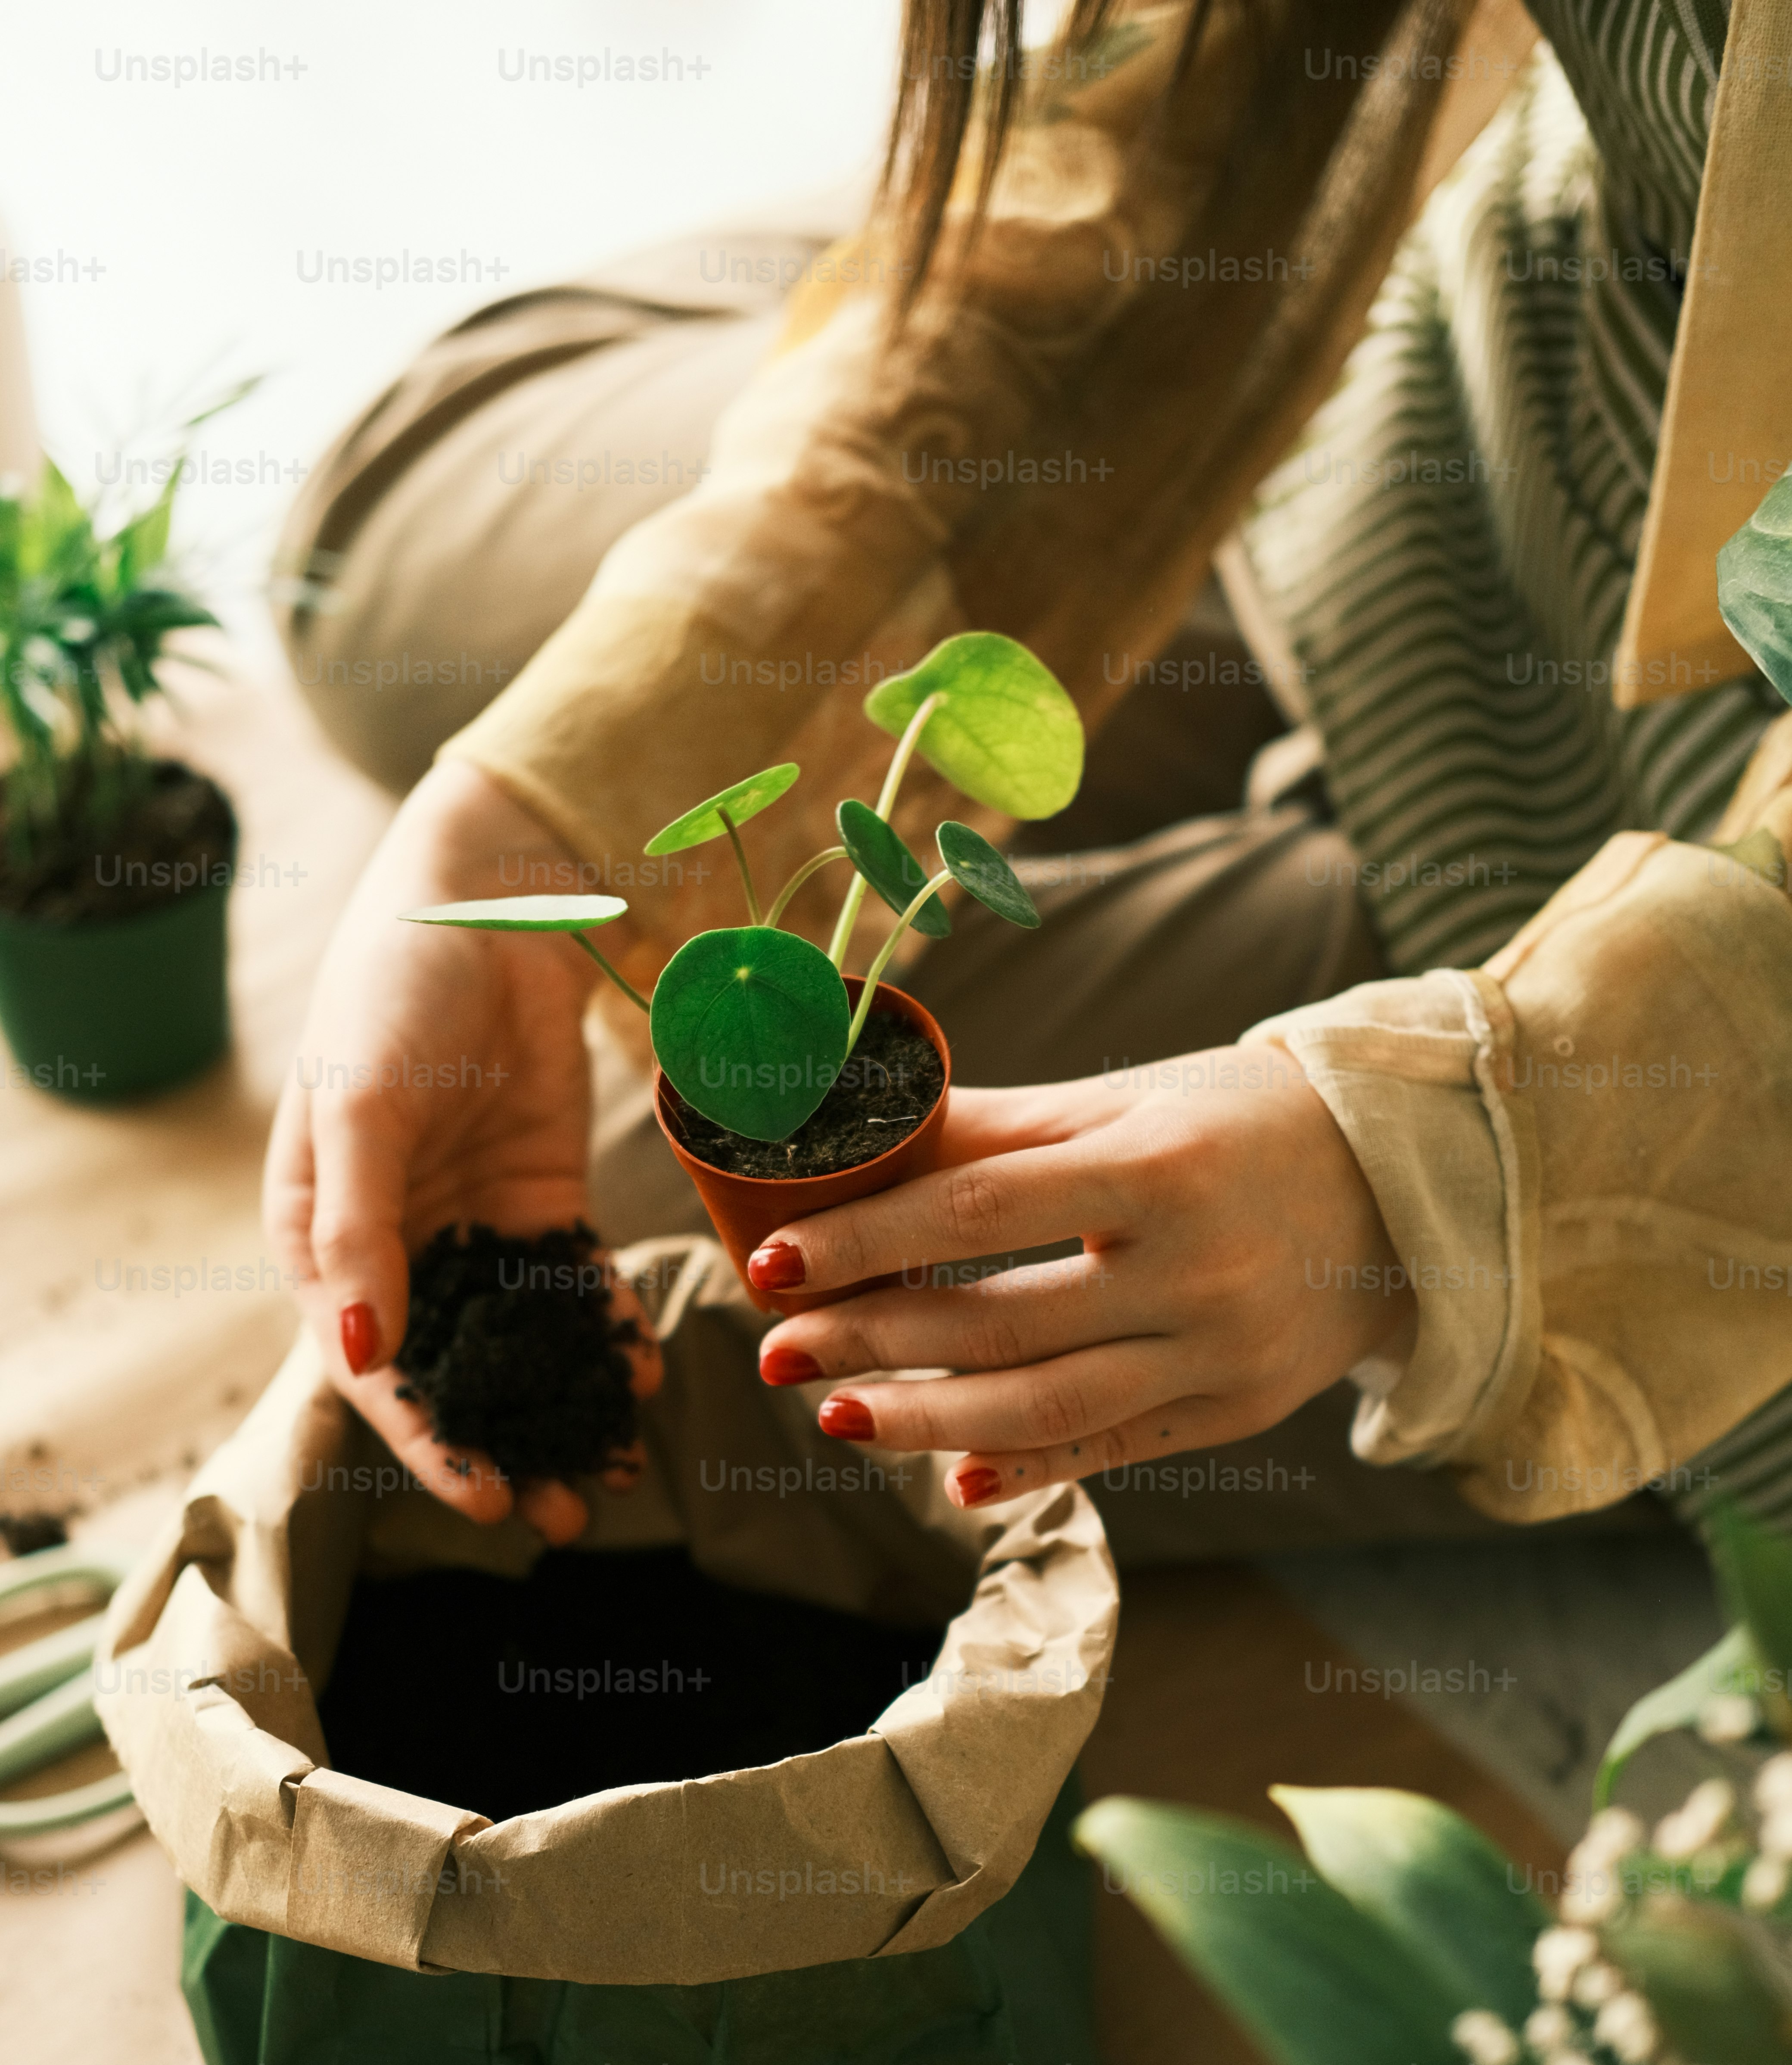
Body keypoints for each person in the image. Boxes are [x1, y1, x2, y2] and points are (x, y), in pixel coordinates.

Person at [266, 0, 1792, 1560]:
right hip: (1443, 414)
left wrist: (1433, 1176)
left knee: (688, 1305)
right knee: (384, 562)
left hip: (1682, 874)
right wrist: (529, 811)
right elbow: (1222, 82)